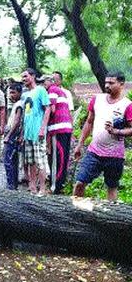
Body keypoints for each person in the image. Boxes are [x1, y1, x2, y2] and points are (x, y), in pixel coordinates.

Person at [73, 71, 132, 201]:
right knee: (80, 183)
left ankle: (110, 218)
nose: (107, 85)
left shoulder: (127, 105)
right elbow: (89, 122)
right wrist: (79, 144)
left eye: (111, 83)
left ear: (121, 84)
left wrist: (117, 131)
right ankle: (74, 215)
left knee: (111, 187)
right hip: (94, 152)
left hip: (115, 155)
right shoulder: (97, 100)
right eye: (106, 82)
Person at [41, 75, 73, 194]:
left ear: (51, 81)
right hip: (65, 128)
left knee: (56, 158)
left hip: (57, 128)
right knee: (63, 157)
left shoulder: (52, 90)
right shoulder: (61, 91)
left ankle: (55, 186)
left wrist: (43, 124)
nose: (42, 84)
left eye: (44, 81)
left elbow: (52, 109)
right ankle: (61, 183)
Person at [21, 68, 50, 194]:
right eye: (22, 77)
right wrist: (23, 133)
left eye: (25, 76)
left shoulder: (40, 90)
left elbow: (47, 109)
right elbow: (26, 115)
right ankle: (32, 187)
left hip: (38, 132)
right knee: (30, 161)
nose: (23, 79)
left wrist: (43, 128)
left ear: (33, 76)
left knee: (41, 161)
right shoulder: (25, 95)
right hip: (28, 133)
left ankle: (43, 188)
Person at [3, 82, 23, 190]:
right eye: (10, 93)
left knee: (8, 160)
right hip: (12, 133)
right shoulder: (17, 103)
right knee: (13, 160)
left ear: (19, 93)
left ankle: (11, 185)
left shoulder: (19, 104)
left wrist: (8, 135)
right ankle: (13, 185)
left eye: (13, 93)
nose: (11, 95)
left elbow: (17, 121)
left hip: (12, 134)